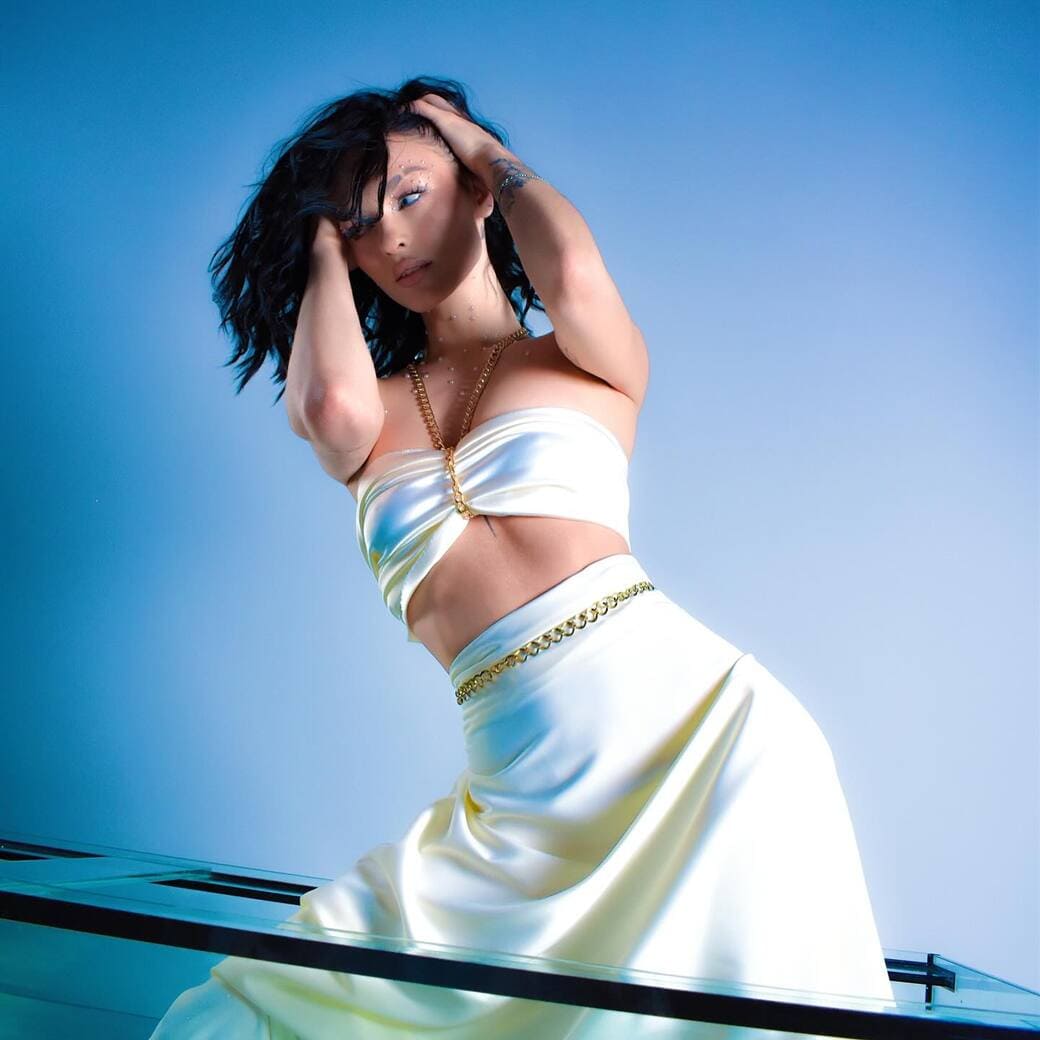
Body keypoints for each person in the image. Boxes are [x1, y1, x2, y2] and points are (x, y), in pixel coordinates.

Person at [149, 76, 895, 1038]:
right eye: (364, 227)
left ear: (475, 190)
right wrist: (322, 237)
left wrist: (479, 147)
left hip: (705, 748)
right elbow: (329, 407)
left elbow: (573, 274)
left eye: (411, 195)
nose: (394, 239)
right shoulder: (368, 414)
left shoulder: (583, 360)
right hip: (520, 803)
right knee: (249, 1009)